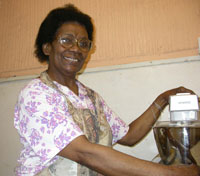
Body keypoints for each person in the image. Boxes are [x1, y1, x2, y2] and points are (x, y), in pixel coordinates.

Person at [14, 4, 200, 176]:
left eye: (83, 43)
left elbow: (128, 136)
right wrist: (173, 173)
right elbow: (84, 153)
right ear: (47, 47)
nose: (76, 49)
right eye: (66, 40)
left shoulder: (90, 97)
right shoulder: (36, 94)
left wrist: (163, 99)